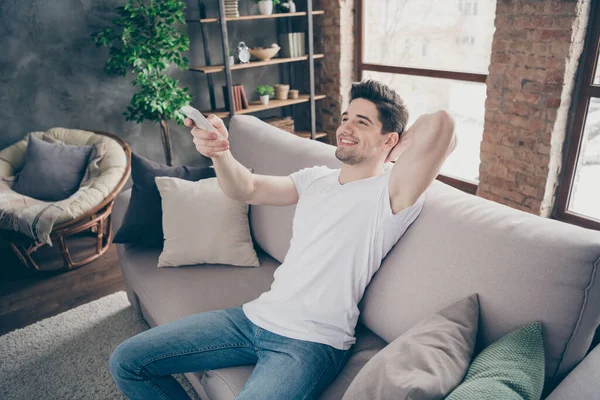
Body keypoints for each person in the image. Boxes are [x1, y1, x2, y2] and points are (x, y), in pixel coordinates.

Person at [109, 79, 457, 400]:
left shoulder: (391, 194)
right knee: (127, 361)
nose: (345, 128)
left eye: (362, 122)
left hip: (310, 343)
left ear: (391, 140)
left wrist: (395, 149)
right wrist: (220, 152)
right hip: (252, 318)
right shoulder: (315, 179)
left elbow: (443, 124)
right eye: (346, 118)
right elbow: (246, 187)